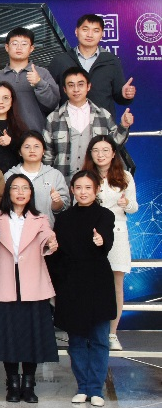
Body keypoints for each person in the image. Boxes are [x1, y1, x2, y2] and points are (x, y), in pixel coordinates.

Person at [0, 174, 59, 404]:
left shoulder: (40, 218)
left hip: (32, 285)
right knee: (8, 336)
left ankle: (29, 384)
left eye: (25, 188)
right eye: (15, 188)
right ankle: (12, 383)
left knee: (33, 336)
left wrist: (51, 242)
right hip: (5, 283)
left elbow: (47, 235)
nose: (20, 192)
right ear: (8, 192)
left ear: (31, 193)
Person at [49, 171, 116, 406]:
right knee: (76, 340)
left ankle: (96, 389)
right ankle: (83, 387)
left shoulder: (105, 215)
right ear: (72, 190)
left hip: (98, 283)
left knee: (99, 339)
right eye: (78, 187)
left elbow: (106, 238)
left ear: (96, 190)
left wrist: (101, 241)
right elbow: (57, 254)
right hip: (71, 284)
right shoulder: (64, 218)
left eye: (88, 187)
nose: (83, 192)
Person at [84, 135, 137, 350]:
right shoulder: (85, 176)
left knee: (116, 285)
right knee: (90, 283)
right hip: (91, 234)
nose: (101, 155)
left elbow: (134, 207)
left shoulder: (124, 176)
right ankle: (91, 331)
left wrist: (126, 203)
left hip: (118, 234)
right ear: (90, 154)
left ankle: (112, 333)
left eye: (105, 150)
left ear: (113, 153)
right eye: (96, 150)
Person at [44, 67, 132, 179]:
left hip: (97, 181)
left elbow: (114, 145)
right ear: (64, 89)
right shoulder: (53, 118)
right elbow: (48, 156)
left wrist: (123, 126)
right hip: (62, 182)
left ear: (88, 86)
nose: (76, 89)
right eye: (71, 85)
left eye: (80, 84)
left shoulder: (103, 115)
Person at [48, 13, 137, 113]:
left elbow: (119, 97)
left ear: (102, 34)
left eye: (96, 31)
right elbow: (49, 96)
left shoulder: (112, 61)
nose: (89, 35)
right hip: (68, 120)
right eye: (85, 29)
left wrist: (125, 95)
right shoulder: (60, 60)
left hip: (102, 121)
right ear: (76, 31)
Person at [0, 26, 60, 135]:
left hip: (35, 136)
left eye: (24, 44)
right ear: (7, 47)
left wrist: (39, 83)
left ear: (31, 48)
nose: (19, 48)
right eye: (14, 43)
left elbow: (52, 104)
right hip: (4, 136)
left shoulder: (42, 73)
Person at [3, 131, 69, 222]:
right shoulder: (9, 175)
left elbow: (64, 207)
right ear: (20, 152)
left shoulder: (54, 175)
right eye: (27, 147)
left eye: (36, 146)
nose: (32, 150)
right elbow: (4, 205)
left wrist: (57, 201)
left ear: (43, 151)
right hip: (16, 228)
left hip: (46, 228)